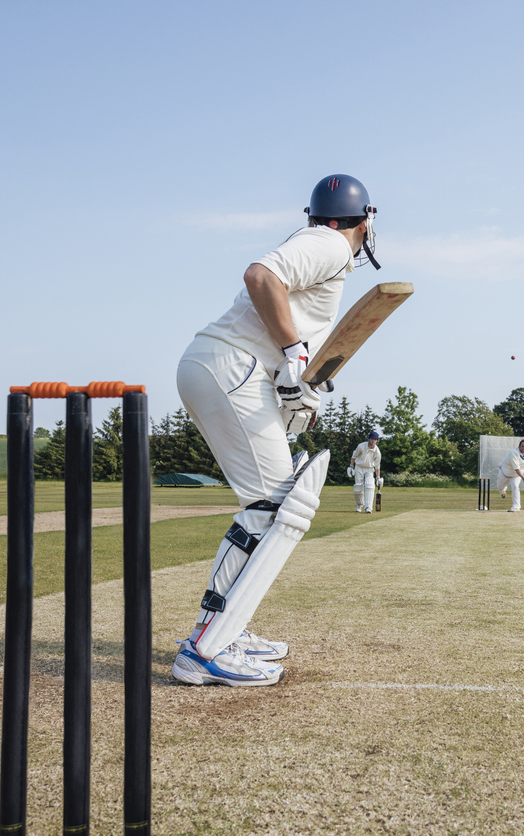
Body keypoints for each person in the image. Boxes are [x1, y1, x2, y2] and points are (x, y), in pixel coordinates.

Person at [170, 174, 381, 686]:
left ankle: (224, 627)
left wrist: (296, 385)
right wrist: (291, 354)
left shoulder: (323, 243)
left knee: (267, 505)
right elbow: (260, 276)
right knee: (272, 507)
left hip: (225, 366)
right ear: (364, 220)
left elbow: (281, 319)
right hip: (230, 367)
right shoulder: (330, 241)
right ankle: (205, 650)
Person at [497, 439, 524, 512]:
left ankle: (516, 507)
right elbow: (516, 468)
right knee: (500, 487)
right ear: (519, 446)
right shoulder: (513, 453)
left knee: (515, 486)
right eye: (522, 446)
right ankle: (503, 492)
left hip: (516, 475)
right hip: (505, 472)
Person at [348, 430, 382, 513]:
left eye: (375, 439)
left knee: (370, 485)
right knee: (358, 487)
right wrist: (351, 467)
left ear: (377, 441)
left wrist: (378, 478)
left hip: (370, 469)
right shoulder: (361, 446)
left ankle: (368, 507)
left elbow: (377, 466)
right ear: (369, 439)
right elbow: (354, 456)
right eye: (372, 439)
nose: (373, 441)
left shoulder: (377, 452)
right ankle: (359, 505)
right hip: (359, 467)